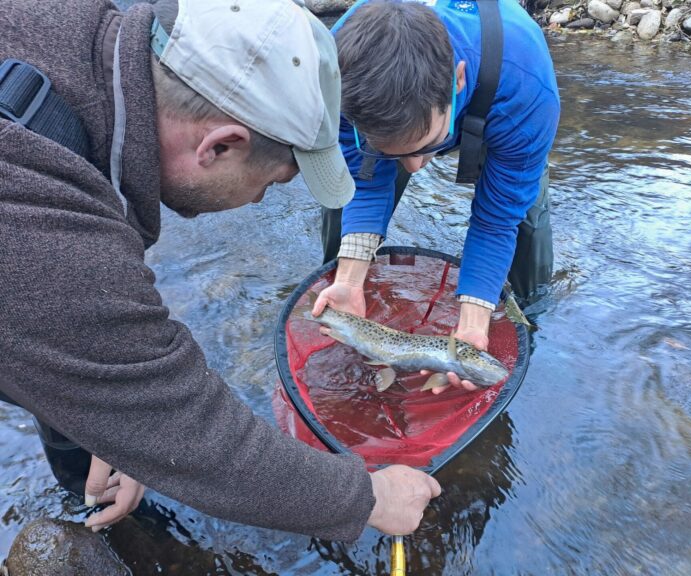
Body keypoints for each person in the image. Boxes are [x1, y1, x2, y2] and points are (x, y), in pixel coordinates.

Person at [0, 0, 440, 541]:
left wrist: (115, 417)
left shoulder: (67, 28)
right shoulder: (44, 240)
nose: (259, 203)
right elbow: (190, 426)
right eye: (272, 183)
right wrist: (368, 498)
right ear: (221, 145)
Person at [315, 0, 560, 393]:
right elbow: (363, 178)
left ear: (458, 80)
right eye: (397, 153)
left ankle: (528, 317)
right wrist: (349, 275)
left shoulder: (527, 86)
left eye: (427, 146)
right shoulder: (337, 70)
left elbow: (496, 219)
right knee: (341, 195)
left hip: (499, 99)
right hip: (389, 116)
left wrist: (474, 321)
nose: (414, 169)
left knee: (525, 227)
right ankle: (348, 297)